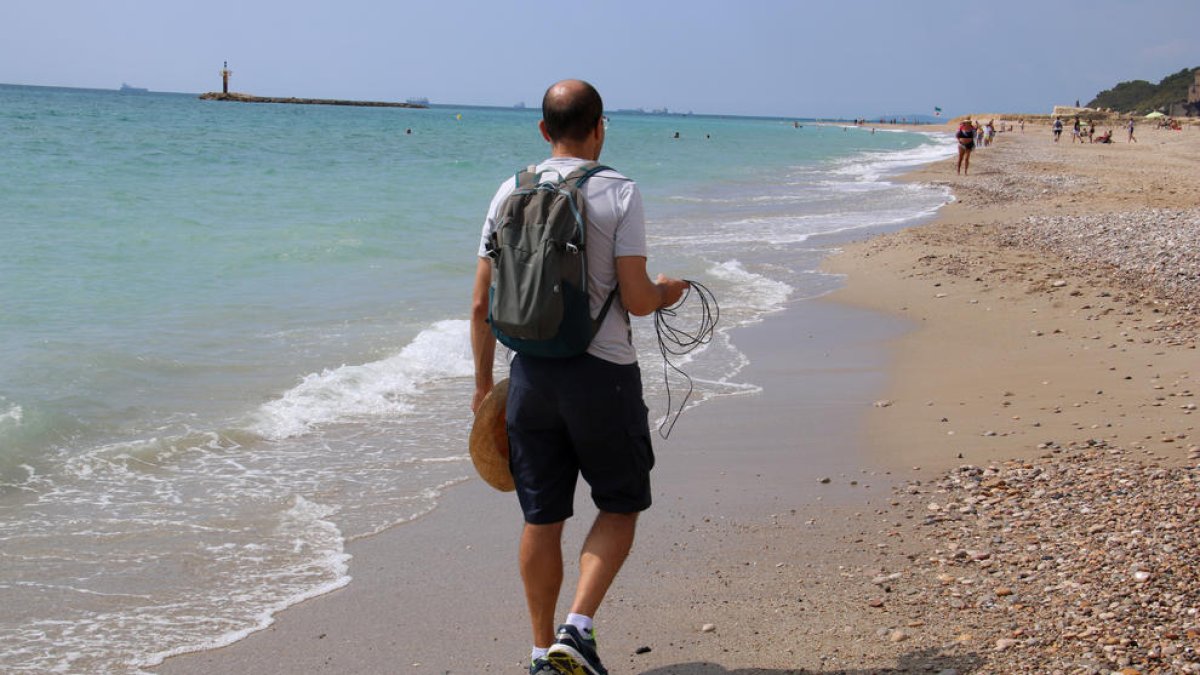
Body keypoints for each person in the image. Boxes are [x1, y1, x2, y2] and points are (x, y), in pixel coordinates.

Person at [470, 79, 688, 675]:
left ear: (543, 131)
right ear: (601, 127)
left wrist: (482, 385)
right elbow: (639, 299)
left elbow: (480, 305)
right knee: (620, 503)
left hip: (529, 380)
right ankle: (578, 629)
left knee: (541, 517)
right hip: (602, 377)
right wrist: (673, 289)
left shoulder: (506, 192)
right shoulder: (619, 191)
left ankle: (542, 653)